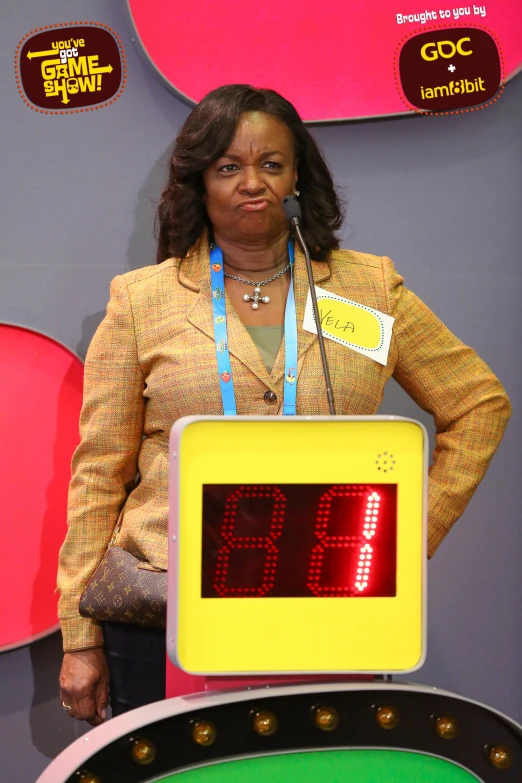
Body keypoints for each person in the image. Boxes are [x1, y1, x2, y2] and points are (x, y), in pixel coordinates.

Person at [57, 84, 511, 724]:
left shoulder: (366, 289)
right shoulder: (141, 301)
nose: (253, 183)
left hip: (333, 605)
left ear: (298, 176)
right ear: (198, 182)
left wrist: (411, 534)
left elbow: (478, 402)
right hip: (166, 609)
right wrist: (80, 635)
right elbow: (98, 472)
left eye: (271, 164)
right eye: (228, 167)